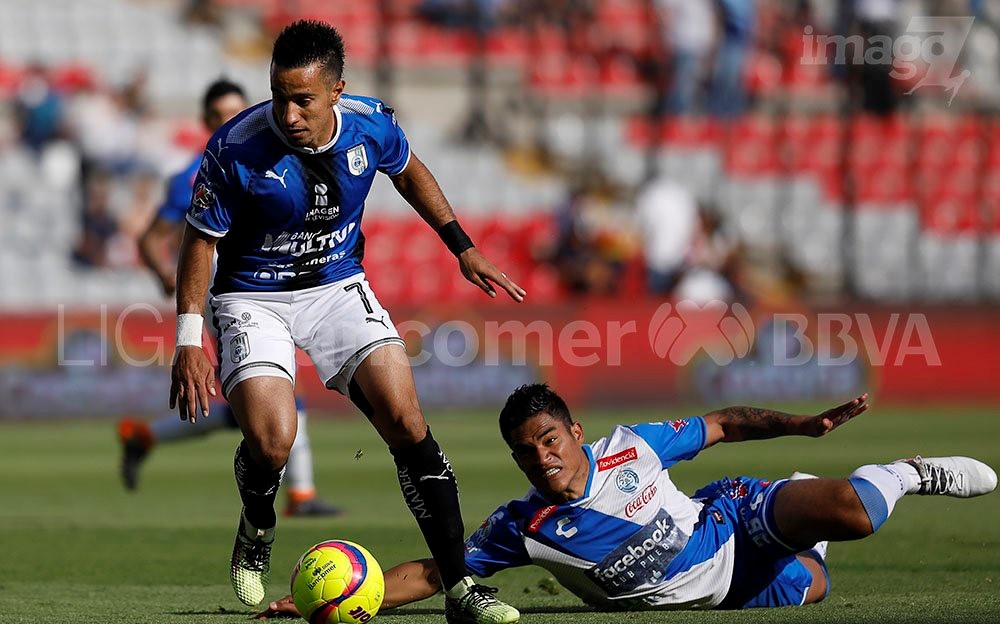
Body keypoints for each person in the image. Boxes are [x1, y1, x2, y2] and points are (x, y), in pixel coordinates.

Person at [169, 19, 525, 623]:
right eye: (279, 95)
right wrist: (187, 337)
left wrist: (461, 245)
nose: (288, 111)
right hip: (252, 298)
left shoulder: (371, 123)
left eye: (302, 99)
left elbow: (409, 169)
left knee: (407, 421)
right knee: (274, 439)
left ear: (336, 91)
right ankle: (258, 522)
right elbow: (199, 243)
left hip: (336, 287)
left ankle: (462, 589)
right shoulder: (235, 147)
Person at [258, 383, 997, 617]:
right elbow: (437, 569)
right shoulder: (524, 526)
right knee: (820, 584)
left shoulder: (629, 445)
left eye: (550, 439)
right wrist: (341, 599)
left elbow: (722, 423)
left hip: (728, 522)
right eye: (525, 450)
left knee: (857, 515)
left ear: (574, 432)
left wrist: (802, 426)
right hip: (725, 594)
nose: (541, 456)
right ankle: (804, 513)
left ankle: (904, 473)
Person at [119, 78, 340, 517]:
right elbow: (151, 238)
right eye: (220, 116)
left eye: (237, 112)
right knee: (278, 389)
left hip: (276, 285)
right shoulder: (192, 176)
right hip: (232, 294)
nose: (230, 121)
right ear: (206, 122)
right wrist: (168, 275)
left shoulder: (275, 158)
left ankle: (145, 436)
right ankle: (301, 494)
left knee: (249, 407)